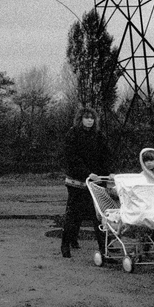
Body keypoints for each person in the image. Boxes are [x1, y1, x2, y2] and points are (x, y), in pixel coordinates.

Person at [60, 107, 112, 258]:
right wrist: (86, 173)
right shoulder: (73, 134)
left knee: (99, 216)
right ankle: (65, 245)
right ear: (80, 119)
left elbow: (106, 156)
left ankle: (104, 249)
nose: (90, 120)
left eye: (92, 118)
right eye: (86, 117)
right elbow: (72, 157)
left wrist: (105, 173)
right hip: (76, 181)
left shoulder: (99, 136)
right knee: (73, 214)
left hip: (95, 182)